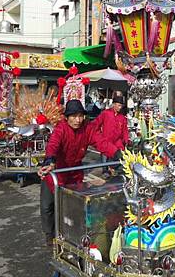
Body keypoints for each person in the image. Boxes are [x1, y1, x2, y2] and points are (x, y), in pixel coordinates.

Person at [37, 99, 120, 246]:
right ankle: (49, 234)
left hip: (74, 173)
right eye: (74, 116)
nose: (78, 120)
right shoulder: (61, 129)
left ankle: (72, 232)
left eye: (80, 116)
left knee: (74, 206)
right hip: (56, 172)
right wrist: (50, 160)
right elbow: (53, 144)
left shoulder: (87, 129)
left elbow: (101, 142)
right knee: (47, 206)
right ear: (67, 117)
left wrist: (118, 154)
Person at [94, 94, 129, 173]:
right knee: (104, 158)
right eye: (119, 105)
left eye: (121, 106)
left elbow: (125, 130)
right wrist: (98, 136)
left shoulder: (122, 118)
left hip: (117, 142)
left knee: (119, 156)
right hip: (106, 140)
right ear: (114, 104)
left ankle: (113, 169)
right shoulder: (105, 113)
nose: (120, 108)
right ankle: (105, 171)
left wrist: (126, 141)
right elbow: (96, 124)